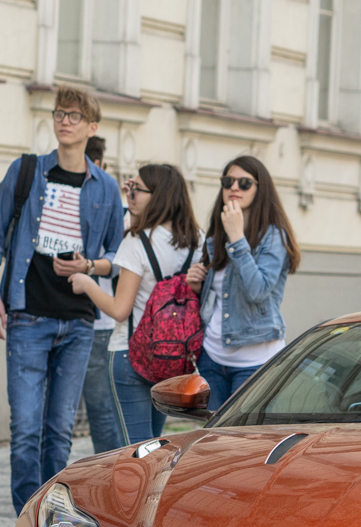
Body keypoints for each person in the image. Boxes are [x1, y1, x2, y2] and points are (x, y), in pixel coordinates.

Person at [0, 87, 124, 527]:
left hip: (78, 322)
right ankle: (26, 525)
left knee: (59, 430)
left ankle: (45, 526)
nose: (65, 122)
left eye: (75, 116)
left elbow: (116, 260)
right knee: (25, 427)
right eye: (60, 114)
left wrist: (88, 267)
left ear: (92, 127)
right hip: (27, 314)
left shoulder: (104, 187)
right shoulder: (26, 172)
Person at [69, 163, 199, 443]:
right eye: (129, 188)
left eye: (137, 190)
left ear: (159, 196)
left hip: (131, 355)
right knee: (154, 446)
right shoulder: (194, 243)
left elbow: (119, 309)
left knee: (136, 450)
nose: (129, 195)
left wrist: (87, 283)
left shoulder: (136, 242)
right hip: (171, 358)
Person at [184, 155, 300, 411]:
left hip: (256, 361)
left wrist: (237, 238)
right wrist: (198, 286)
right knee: (213, 441)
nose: (234, 187)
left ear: (260, 190)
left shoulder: (273, 236)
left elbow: (257, 291)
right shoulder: (216, 235)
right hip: (212, 359)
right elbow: (220, 297)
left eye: (244, 183)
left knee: (242, 442)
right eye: (228, 181)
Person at [75, 135, 123, 454]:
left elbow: (118, 261)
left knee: (100, 412)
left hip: (97, 322)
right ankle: (113, 477)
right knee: (102, 412)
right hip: (98, 324)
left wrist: (89, 268)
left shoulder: (109, 197)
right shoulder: (112, 197)